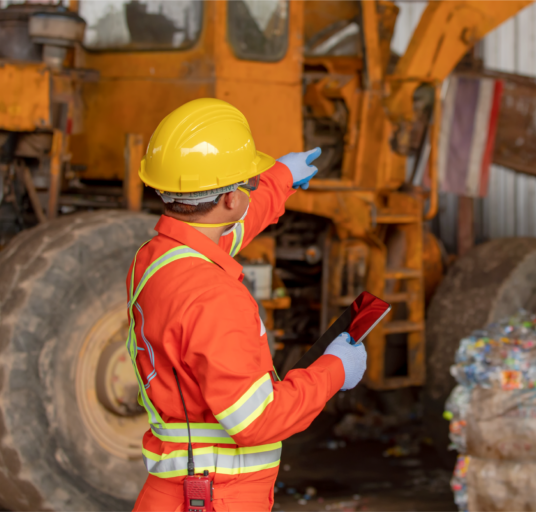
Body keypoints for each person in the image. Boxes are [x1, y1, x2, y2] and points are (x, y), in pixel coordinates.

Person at [127, 98, 368, 512]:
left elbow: (229, 229)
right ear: (229, 201)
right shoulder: (216, 297)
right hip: (218, 497)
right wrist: (334, 371)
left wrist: (279, 179)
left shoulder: (157, 257)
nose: (249, 189)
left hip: (170, 493)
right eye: (248, 183)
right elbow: (257, 421)